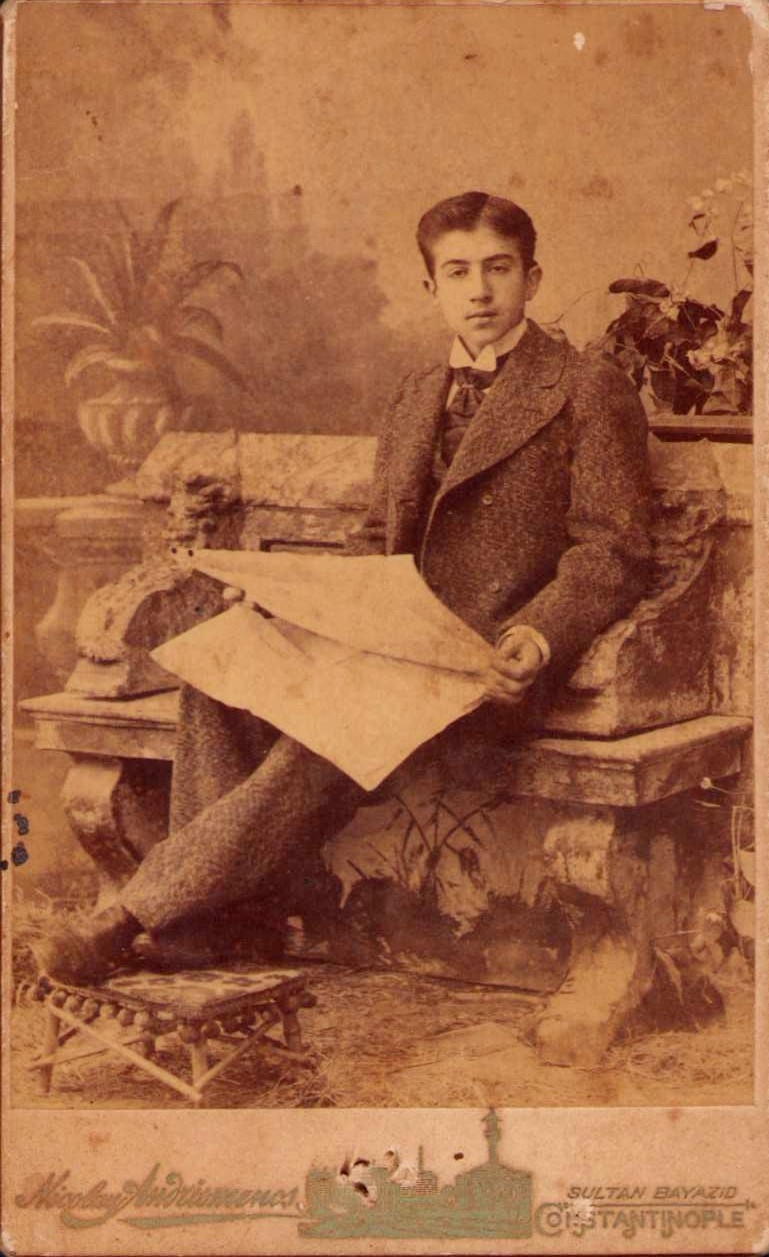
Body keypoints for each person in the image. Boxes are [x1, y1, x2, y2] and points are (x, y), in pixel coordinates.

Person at [37, 191, 652, 984]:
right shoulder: (413, 394)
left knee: (330, 728)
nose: (479, 291)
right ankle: (216, 920)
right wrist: (296, 601)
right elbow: (375, 541)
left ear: (532, 278)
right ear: (431, 287)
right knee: (218, 662)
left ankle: (135, 913)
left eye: (498, 269)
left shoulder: (586, 387)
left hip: (488, 669)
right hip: (387, 641)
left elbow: (611, 552)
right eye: (457, 272)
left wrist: (535, 636)